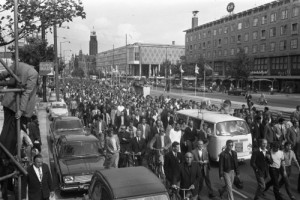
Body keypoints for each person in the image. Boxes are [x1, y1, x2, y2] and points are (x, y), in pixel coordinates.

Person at [0, 62, 38, 158]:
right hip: (18, 107)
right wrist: (21, 110)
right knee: (13, 135)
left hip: (8, 102)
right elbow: (27, 92)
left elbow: (4, 74)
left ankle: (3, 153)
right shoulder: (33, 73)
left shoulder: (18, 65)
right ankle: (5, 157)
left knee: (6, 129)